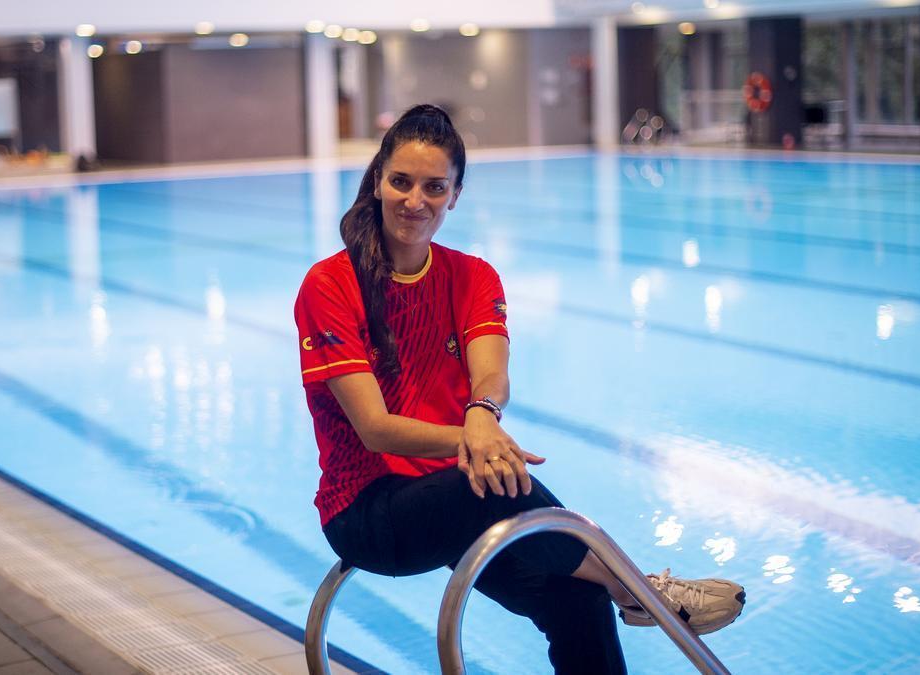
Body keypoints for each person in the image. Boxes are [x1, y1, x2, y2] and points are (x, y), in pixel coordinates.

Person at [294, 104, 744, 674]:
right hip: (369, 513)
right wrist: (473, 440)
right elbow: (375, 427)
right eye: (401, 182)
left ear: (455, 195)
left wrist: (482, 416)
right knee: (494, 482)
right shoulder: (331, 285)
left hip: (464, 497)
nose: (415, 201)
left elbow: (492, 374)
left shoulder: (471, 276)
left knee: (576, 600)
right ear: (378, 180)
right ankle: (638, 590)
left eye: (435, 187)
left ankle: (620, 593)